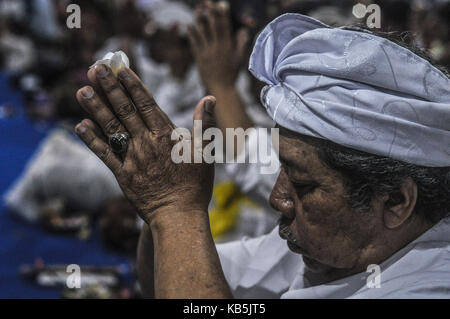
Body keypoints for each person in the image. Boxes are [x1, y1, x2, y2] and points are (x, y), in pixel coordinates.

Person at [74, 13, 450, 298]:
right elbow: (170, 276)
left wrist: (174, 210)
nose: (277, 197)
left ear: (397, 201)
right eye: (283, 169)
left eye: (301, 182)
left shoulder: (428, 288)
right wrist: (163, 207)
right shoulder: (327, 241)